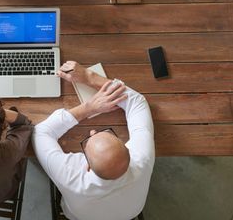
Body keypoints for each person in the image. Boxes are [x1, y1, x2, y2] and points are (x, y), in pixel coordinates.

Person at [32, 61, 155, 220]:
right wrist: (90, 77)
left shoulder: (71, 177)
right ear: (128, 150)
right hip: (131, 212)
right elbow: (137, 102)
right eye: (106, 133)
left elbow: (39, 132)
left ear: (87, 166)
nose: (92, 131)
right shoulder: (142, 159)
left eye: (89, 139)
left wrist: (88, 108)